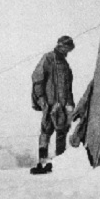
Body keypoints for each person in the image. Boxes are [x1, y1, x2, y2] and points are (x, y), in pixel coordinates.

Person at [31, 36, 75, 172]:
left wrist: (70, 103)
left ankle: (58, 162)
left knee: (61, 132)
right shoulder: (48, 58)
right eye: (66, 48)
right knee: (46, 131)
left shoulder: (65, 64)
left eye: (69, 48)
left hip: (62, 106)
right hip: (49, 104)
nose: (68, 51)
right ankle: (42, 162)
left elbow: (68, 87)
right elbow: (37, 79)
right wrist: (41, 99)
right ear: (61, 46)